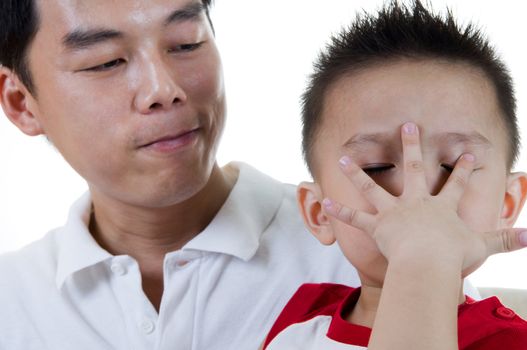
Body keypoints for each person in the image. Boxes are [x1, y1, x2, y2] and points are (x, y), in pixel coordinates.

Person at [0, 1, 363, 349]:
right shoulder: (13, 304)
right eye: (105, 62)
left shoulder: (367, 256)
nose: (164, 90)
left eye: (185, 43)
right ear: (20, 103)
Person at [262, 1, 527, 349]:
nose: (416, 195)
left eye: (453, 166)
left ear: (506, 205)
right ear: (319, 213)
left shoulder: (509, 342)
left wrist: (421, 258)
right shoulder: (301, 319)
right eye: (377, 168)